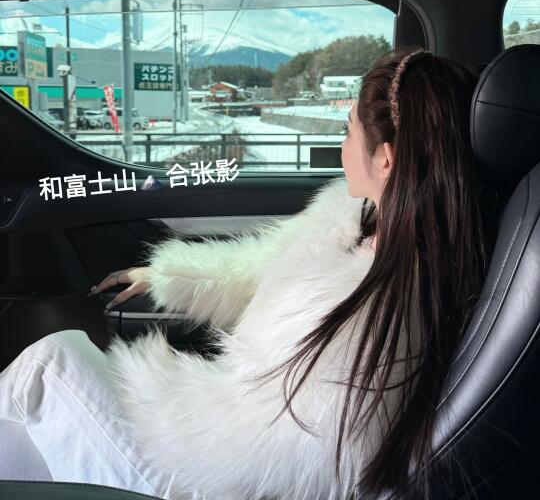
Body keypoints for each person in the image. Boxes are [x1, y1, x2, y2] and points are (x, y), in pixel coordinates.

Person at [0, 46, 496, 500]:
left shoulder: (374, 309)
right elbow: (263, 265)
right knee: (51, 372)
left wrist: (174, 409)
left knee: (45, 367)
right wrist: (167, 275)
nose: (342, 145)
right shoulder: (369, 228)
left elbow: (288, 457)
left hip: (210, 474)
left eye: (348, 131)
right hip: (214, 434)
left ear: (386, 160)